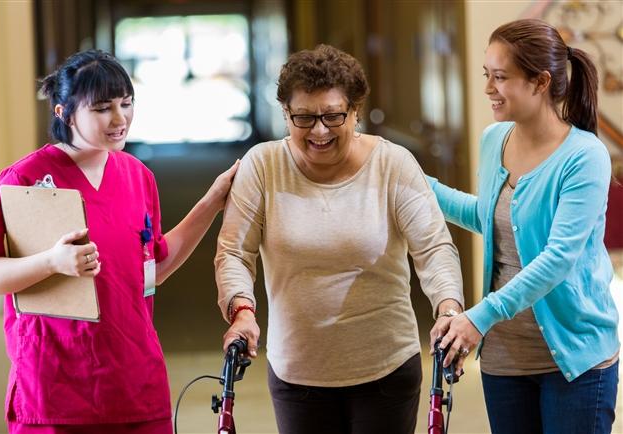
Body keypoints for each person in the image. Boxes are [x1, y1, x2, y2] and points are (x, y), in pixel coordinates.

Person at [0, 49, 239, 434]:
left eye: (126, 104)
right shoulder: (25, 178)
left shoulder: (137, 176)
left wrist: (212, 202)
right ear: (63, 112)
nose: (120, 119)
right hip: (55, 391)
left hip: (135, 385)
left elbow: (155, 268)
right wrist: (52, 262)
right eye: (101, 109)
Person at [214, 44, 464, 434]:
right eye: (304, 117)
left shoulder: (392, 164)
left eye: (333, 115)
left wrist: (448, 308)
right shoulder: (262, 166)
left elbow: (433, 247)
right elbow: (234, 251)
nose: (319, 130)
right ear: (285, 114)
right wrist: (242, 310)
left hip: (385, 366)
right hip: (298, 370)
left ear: (356, 112)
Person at [431, 19, 619, 434]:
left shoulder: (584, 157)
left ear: (540, 82)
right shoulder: (493, 140)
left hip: (574, 359)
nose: (488, 88)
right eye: (487, 75)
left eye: (500, 77)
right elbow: (489, 216)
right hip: (505, 357)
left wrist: (479, 317)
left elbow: (557, 259)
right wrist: (417, 183)